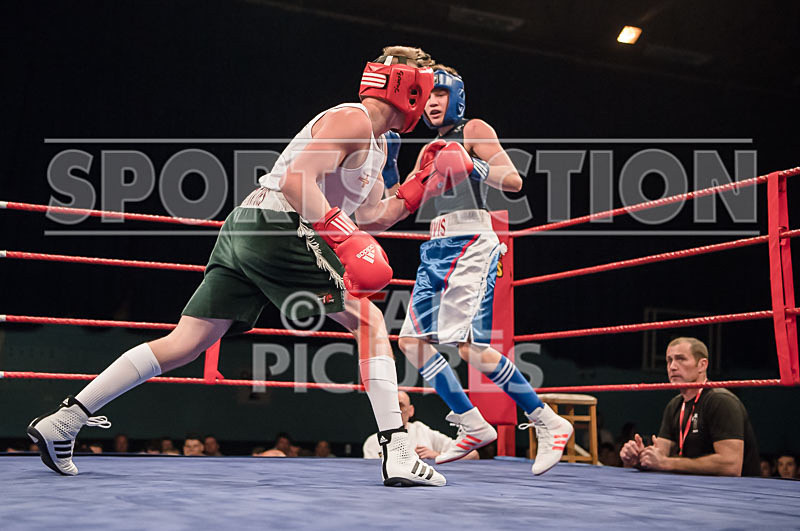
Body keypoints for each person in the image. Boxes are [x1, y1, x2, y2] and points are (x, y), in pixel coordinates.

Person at [27, 45, 476, 487]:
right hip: (278, 223)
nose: (429, 96)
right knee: (370, 320)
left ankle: (65, 420)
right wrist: (345, 236)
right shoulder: (351, 118)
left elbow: (375, 215)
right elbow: (298, 181)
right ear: (406, 84)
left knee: (186, 342)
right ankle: (396, 450)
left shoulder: (377, 146)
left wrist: (420, 186)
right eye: (425, 81)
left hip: (251, 227)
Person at [394, 64, 573, 475]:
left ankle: (548, 421)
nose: (434, 102)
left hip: (472, 242)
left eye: (441, 94)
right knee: (411, 342)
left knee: (470, 345)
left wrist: (473, 166)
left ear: (455, 97)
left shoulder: (474, 130)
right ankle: (472, 424)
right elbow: (399, 203)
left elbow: (514, 180)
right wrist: (385, 168)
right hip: (434, 249)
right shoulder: (426, 152)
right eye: (428, 96)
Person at [619, 337, 760, 476]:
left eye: (681, 359)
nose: (672, 367)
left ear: (702, 365)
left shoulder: (721, 401)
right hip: (691, 490)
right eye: (669, 360)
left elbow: (731, 465)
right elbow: (661, 455)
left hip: (736, 493)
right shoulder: (675, 405)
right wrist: (641, 457)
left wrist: (666, 463)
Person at [363, 391, 479, 461]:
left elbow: (473, 455)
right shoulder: (372, 443)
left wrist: (437, 456)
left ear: (411, 411)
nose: (396, 411)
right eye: (392, 405)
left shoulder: (422, 431)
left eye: (401, 405)